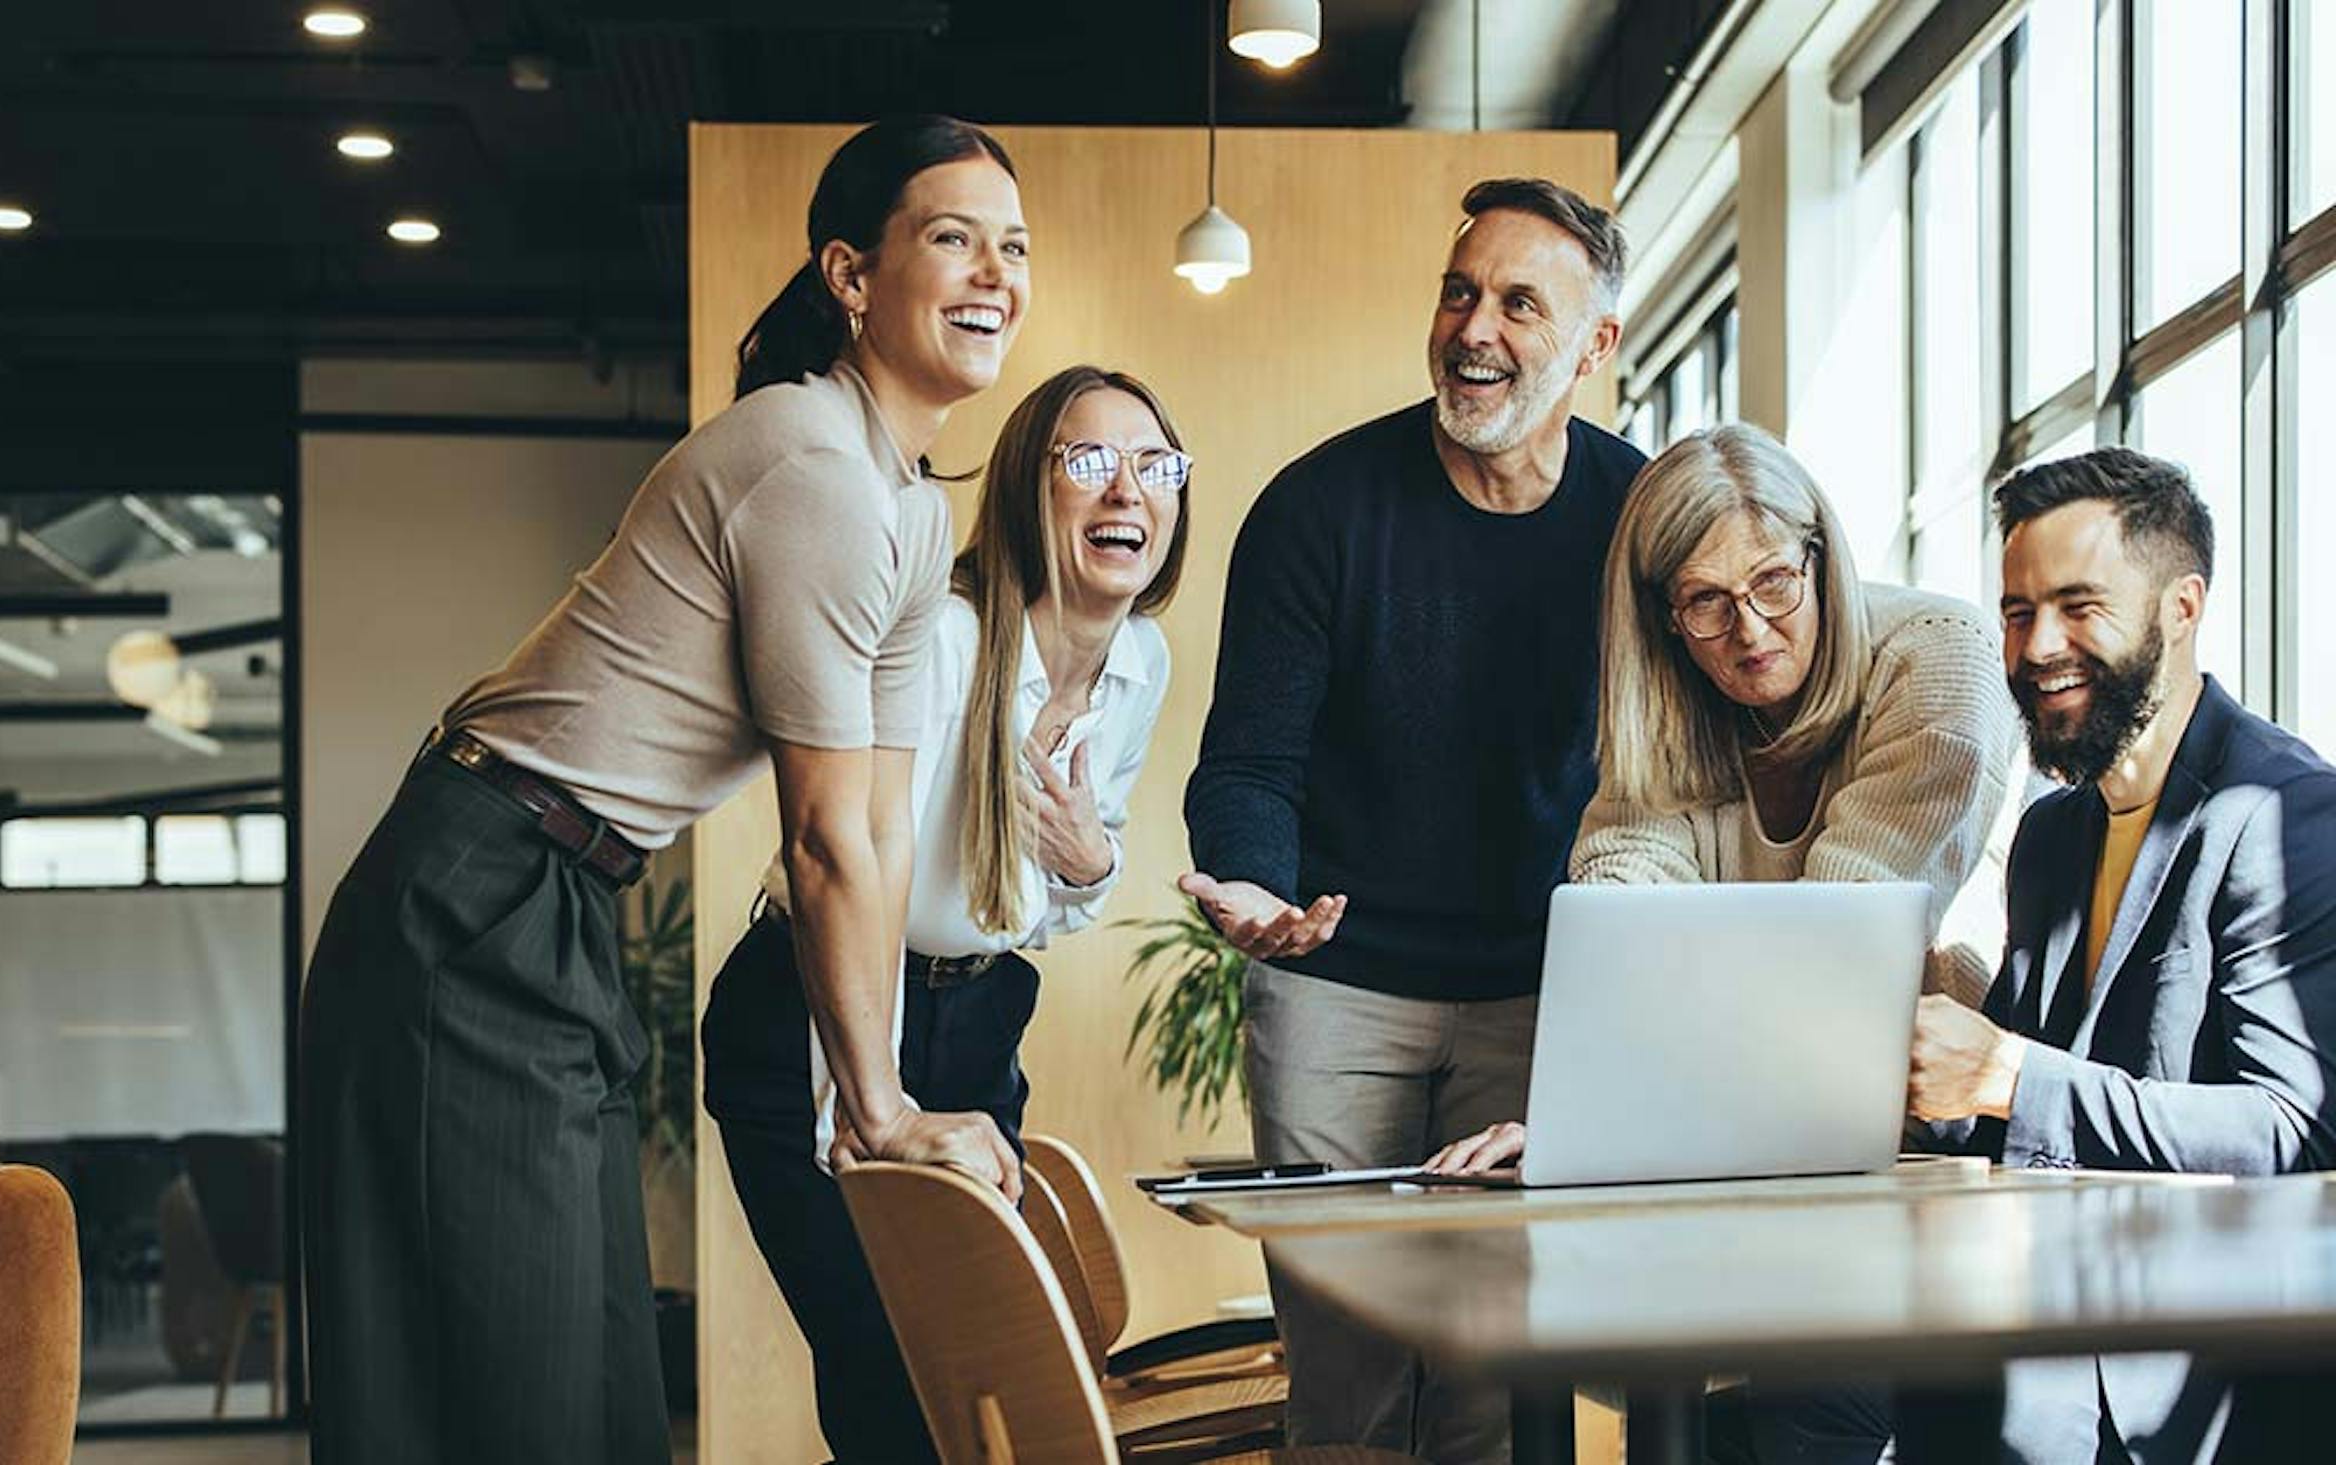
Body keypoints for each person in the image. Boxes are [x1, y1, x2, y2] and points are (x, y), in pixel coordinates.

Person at [297, 115, 1030, 1464]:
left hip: (564, 891)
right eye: (952, 237)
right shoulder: (808, 464)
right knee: (502, 1378)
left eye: (1014, 247)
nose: (995, 272)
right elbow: (817, 842)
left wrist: (884, 1104)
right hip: (471, 888)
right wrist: (876, 1111)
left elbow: (875, 823)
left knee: (588, 1373)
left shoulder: (913, 514)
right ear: (852, 277)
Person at [1420, 422, 2016, 1465]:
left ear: (1821, 556)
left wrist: (1620, 1103)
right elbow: (1619, 912)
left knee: (1798, 1407)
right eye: (1705, 602)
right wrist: (1572, 1116)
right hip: (1766, 1157)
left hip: (1935, 1155)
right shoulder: (1672, 709)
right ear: (1663, 618)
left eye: (1774, 582)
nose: (1750, 630)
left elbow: (1835, 943)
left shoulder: (1938, 658)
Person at [1182, 176, 1645, 1462]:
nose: (1473, 329)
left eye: (1516, 302)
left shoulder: (1640, 519)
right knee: (1349, 1382)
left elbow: (1683, 769)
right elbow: (1248, 763)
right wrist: (1255, 886)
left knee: (1499, 1386)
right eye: (1457, 291)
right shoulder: (1317, 509)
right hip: (1338, 988)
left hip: (1541, 994)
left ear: (1594, 347)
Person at [705, 365, 1192, 1463]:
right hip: (818, 1011)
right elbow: (850, 866)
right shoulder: (947, 641)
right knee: (894, 1382)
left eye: (1155, 465)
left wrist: (1090, 858)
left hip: (976, 1023)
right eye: (1088, 461)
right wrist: (862, 1111)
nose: (1128, 491)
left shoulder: (1138, 663)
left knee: (977, 1378)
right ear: (1029, 486)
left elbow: (1052, 903)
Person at [1897, 447, 2336, 1463]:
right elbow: (1999, 1102)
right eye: (2015, 611)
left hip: (2198, 1366)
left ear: (2181, 607)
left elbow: (2294, 1129)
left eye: (2077, 604)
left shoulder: (2283, 814)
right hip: (2043, 1305)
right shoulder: (2053, 834)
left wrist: (2006, 1074)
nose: (2038, 644)